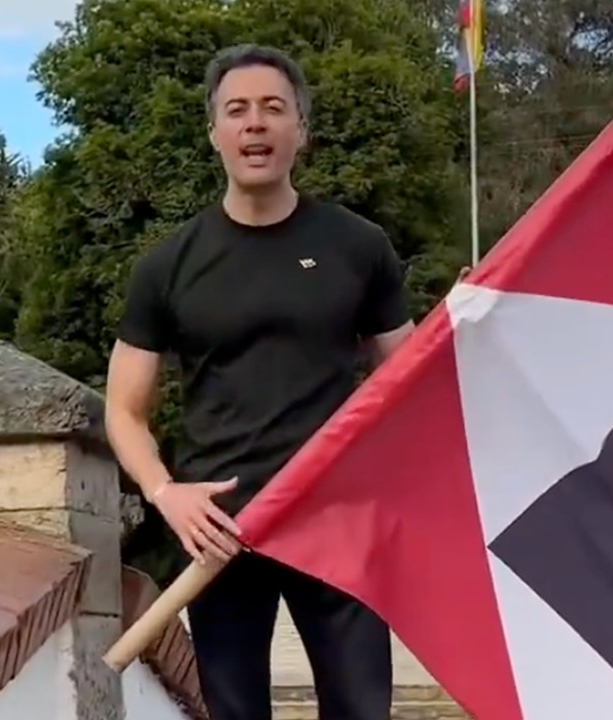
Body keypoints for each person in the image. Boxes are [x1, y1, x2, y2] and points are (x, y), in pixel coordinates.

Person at [105, 44, 439, 720]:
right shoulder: (167, 266)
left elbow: (406, 381)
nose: (255, 123)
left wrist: (460, 330)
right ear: (215, 134)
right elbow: (123, 410)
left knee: (362, 710)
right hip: (219, 532)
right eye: (237, 110)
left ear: (300, 130)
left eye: (272, 108)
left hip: (336, 519)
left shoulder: (359, 246)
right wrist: (166, 494)